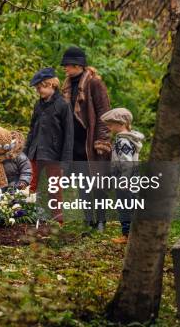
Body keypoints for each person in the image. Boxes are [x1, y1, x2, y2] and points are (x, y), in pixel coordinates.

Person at [61, 46, 111, 232]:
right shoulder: (67, 85)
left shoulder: (94, 83)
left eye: (67, 64)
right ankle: (88, 219)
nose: (65, 68)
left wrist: (102, 140)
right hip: (75, 142)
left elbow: (104, 113)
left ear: (77, 65)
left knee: (97, 183)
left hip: (91, 142)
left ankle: (101, 221)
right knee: (82, 182)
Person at [24, 67, 73, 224]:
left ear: (51, 84)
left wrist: (65, 161)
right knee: (29, 185)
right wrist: (25, 153)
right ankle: (24, 217)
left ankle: (58, 222)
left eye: (41, 88)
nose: (39, 91)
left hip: (54, 155)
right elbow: (32, 130)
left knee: (54, 190)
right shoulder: (38, 106)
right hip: (35, 153)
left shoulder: (63, 105)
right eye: (37, 89)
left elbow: (69, 135)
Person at [100, 107, 145, 244]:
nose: (109, 127)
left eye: (111, 124)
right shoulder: (128, 139)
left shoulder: (122, 141)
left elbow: (126, 162)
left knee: (125, 207)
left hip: (125, 181)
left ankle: (127, 235)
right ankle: (134, 233)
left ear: (122, 124)